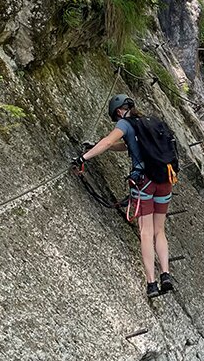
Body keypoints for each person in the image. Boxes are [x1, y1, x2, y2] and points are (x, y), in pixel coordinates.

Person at [73, 94, 174, 298]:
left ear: (119, 111)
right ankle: (166, 274)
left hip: (144, 183)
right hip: (165, 180)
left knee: (146, 232)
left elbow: (109, 142)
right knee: (159, 231)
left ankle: (152, 284)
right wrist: (105, 147)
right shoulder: (150, 122)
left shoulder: (125, 124)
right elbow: (125, 145)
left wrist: (83, 157)